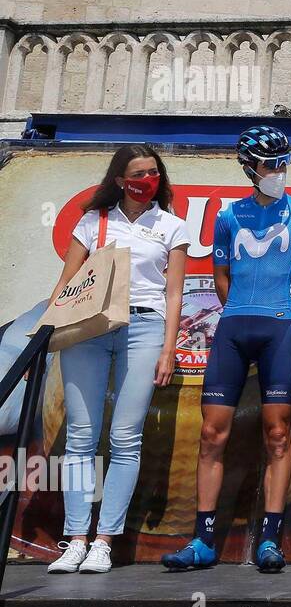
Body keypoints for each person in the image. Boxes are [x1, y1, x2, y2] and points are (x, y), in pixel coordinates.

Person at [162, 126, 291, 572]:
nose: (279, 171)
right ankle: (202, 540)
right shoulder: (229, 216)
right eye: (271, 165)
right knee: (212, 433)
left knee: (277, 432)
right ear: (250, 169)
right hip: (234, 328)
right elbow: (221, 276)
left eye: (284, 162)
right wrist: (236, 309)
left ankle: (270, 539)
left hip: (279, 328)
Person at [46, 146, 190, 574]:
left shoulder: (172, 226)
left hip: (144, 328)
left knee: (126, 439)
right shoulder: (93, 222)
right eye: (138, 174)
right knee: (80, 438)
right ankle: (74, 539)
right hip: (89, 329)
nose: (147, 180)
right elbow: (67, 280)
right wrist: (47, 333)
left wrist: (169, 348)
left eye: (153, 173)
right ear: (118, 179)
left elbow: (175, 292)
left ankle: (104, 541)